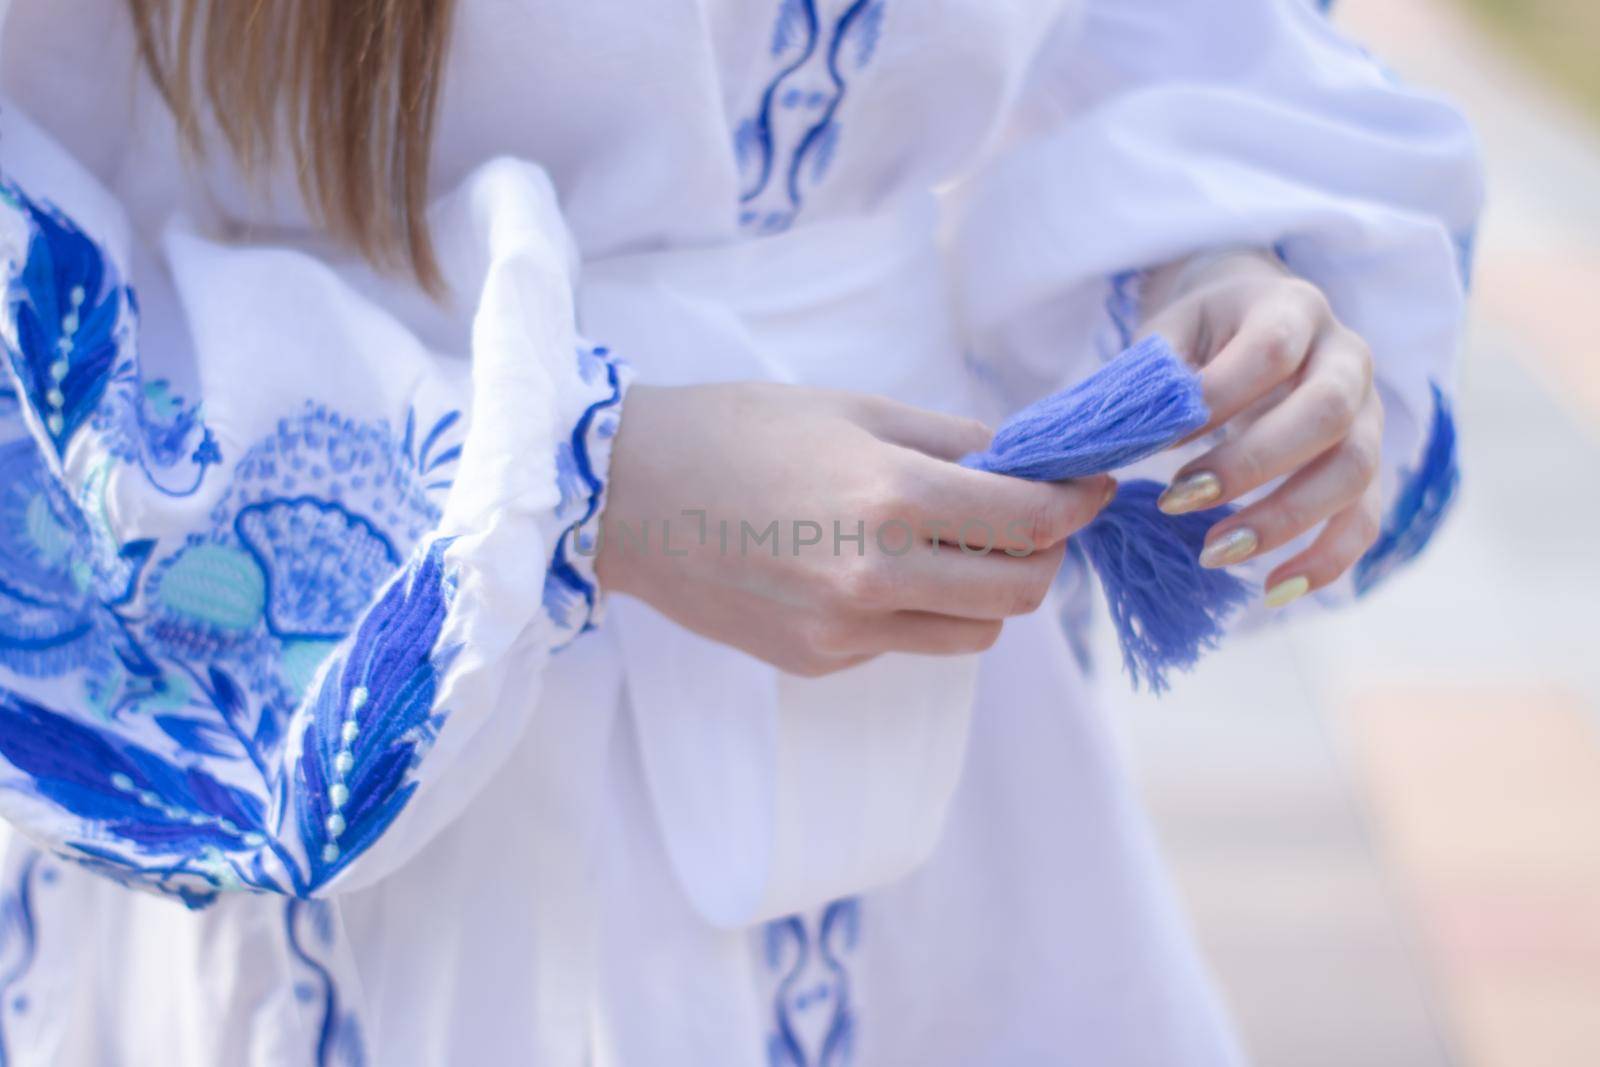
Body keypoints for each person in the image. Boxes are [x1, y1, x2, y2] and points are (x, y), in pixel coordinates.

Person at [0, 0, 1479, 1063]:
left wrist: (1209, 264)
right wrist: (599, 483)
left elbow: (1152, 41)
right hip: (398, 813)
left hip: (939, 765)